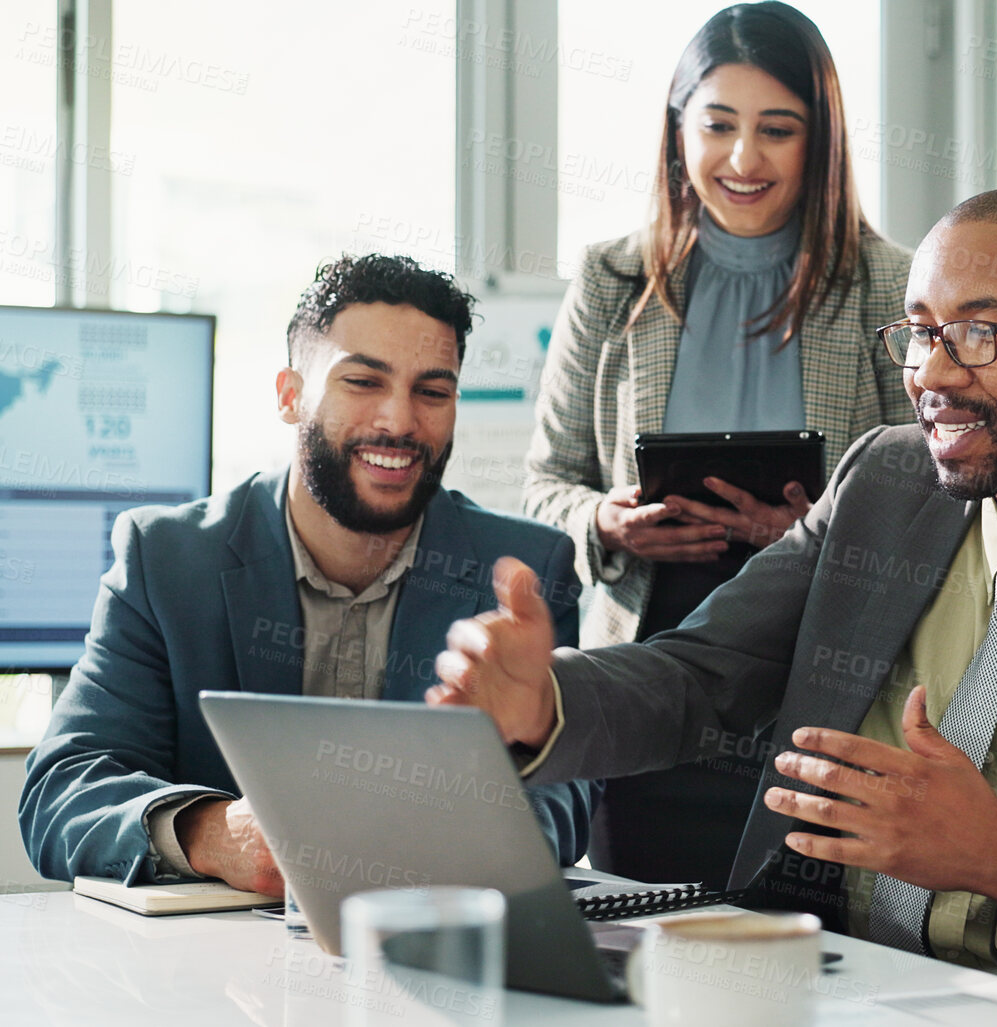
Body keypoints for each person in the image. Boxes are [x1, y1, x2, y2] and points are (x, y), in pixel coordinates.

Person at [434, 187, 997, 968]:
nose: (932, 374)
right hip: (827, 979)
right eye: (917, 334)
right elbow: (700, 676)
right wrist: (543, 703)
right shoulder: (884, 480)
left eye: (977, 332)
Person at [19, 255, 594, 893]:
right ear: (291, 397)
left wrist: (454, 849)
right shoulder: (166, 560)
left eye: (432, 391)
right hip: (208, 971)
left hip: (431, 947)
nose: (399, 422)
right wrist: (214, 835)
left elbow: (563, 797)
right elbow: (63, 790)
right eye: (363, 382)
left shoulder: (521, 571)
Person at [523, 1, 910, 886]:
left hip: (818, 683)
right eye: (718, 125)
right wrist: (608, 522)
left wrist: (814, 537)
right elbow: (546, 482)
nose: (743, 159)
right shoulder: (613, 278)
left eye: (778, 129)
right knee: (645, 935)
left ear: (822, 142)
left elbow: (936, 502)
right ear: (677, 130)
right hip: (647, 674)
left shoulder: (888, 283)